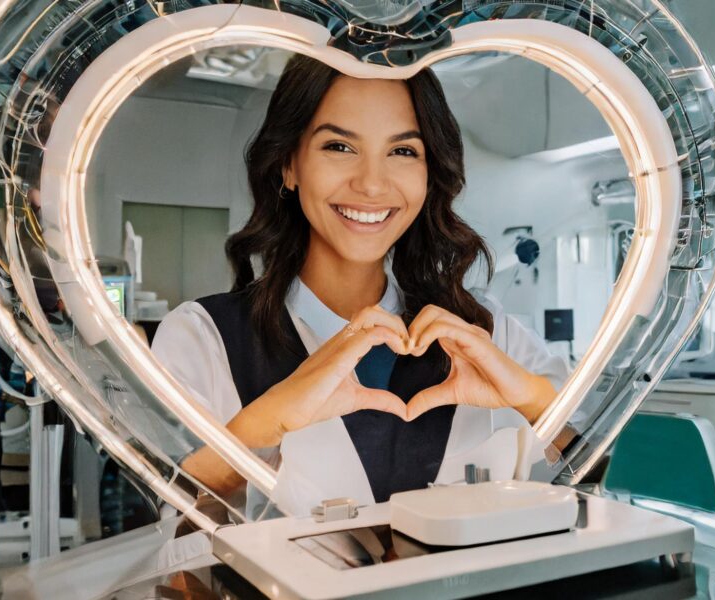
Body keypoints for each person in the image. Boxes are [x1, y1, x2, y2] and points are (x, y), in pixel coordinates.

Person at [151, 54, 568, 518]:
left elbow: (603, 486)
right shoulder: (203, 338)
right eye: (339, 147)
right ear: (289, 165)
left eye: (403, 151)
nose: (371, 184)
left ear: (429, 176)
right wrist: (262, 424)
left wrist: (532, 400)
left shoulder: (486, 333)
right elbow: (170, 545)